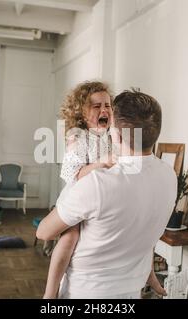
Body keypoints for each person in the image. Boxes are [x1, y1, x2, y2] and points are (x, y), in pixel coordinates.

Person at [37, 89, 177, 299]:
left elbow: (43, 232)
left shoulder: (99, 184)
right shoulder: (169, 176)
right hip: (131, 292)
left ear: (117, 134)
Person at [43, 81, 115, 299]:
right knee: (70, 237)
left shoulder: (112, 137)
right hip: (78, 195)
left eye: (108, 106)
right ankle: (50, 292)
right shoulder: (78, 137)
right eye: (96, 106)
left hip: (103, 196)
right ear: (82, 113)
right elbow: (72, 174)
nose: (104, 110)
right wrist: (101, 163)